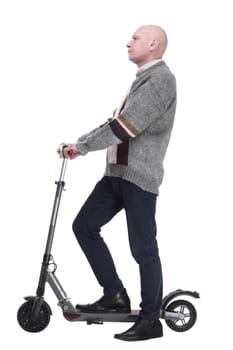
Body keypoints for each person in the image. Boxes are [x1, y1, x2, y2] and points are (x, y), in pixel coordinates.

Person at [58, 24, 176, 341]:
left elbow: (126, 127)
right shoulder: (142, 81)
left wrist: (82, 148)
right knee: (84, 226)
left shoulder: (161, 80)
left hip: (138, 177)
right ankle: (114, 295)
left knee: (143, 250)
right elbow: (114, 123)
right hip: (116, 175)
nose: (128, 42)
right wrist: (79, 143)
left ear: (153, 43)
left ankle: (151, 321)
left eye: (135, 38)